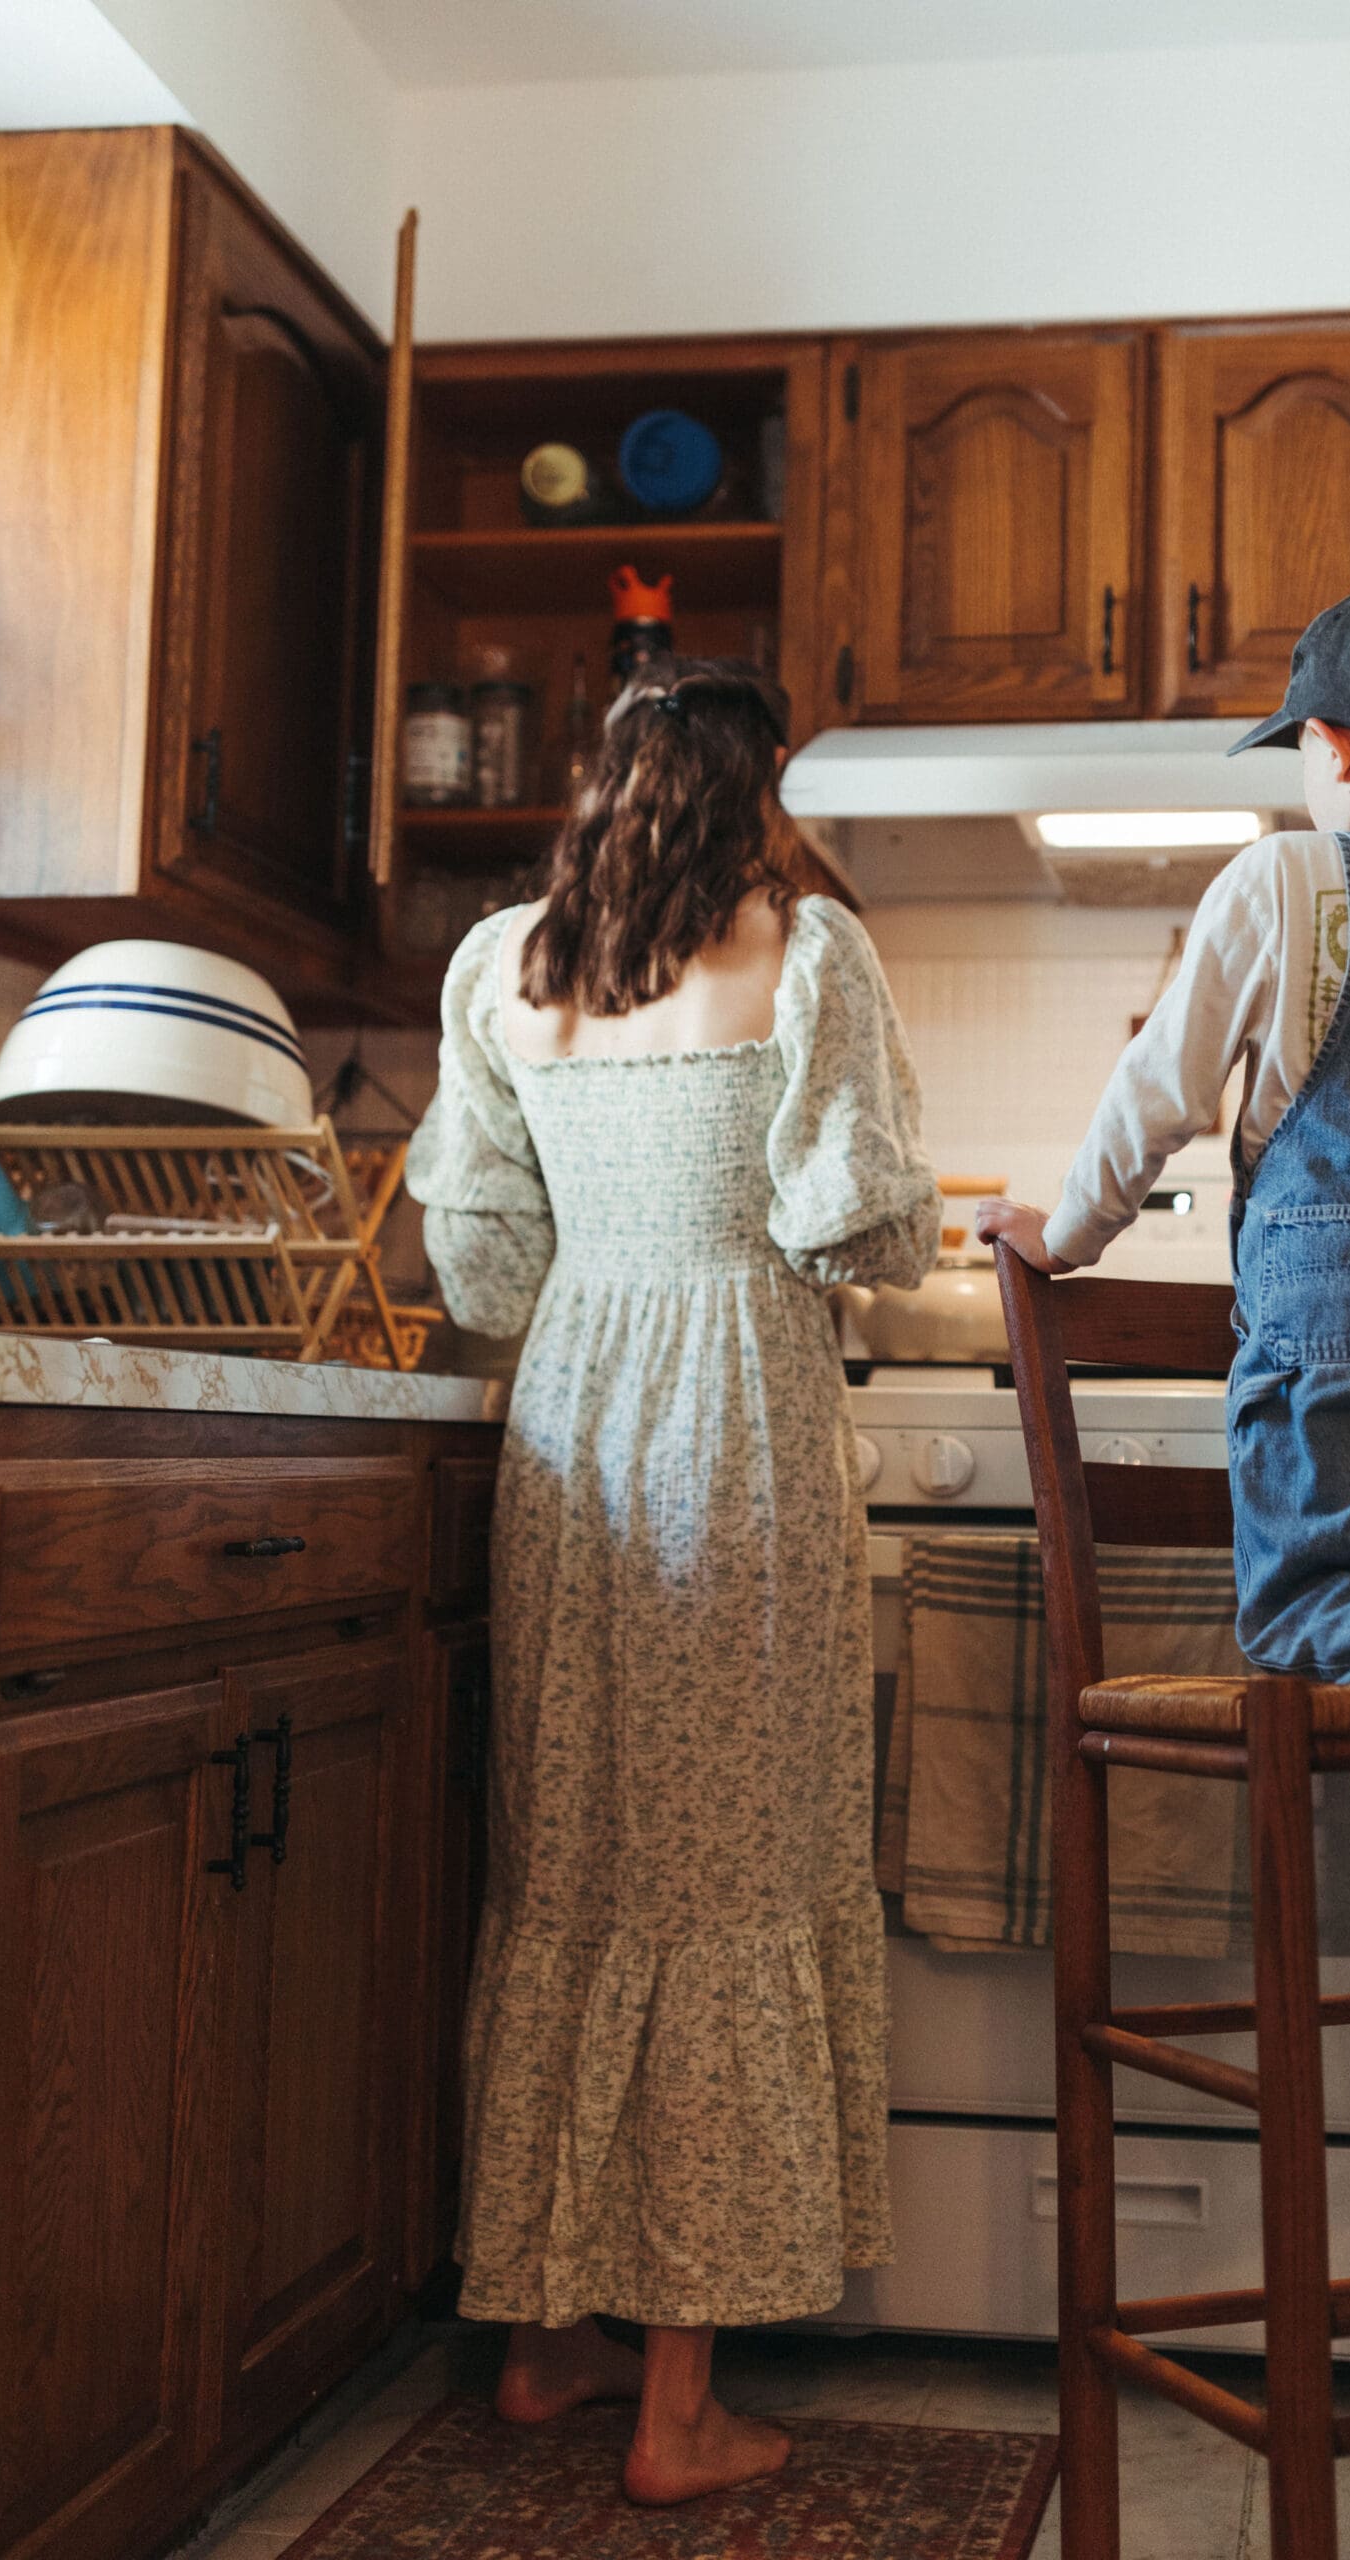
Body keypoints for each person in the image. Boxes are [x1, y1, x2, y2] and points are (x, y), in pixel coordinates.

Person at [406, 660, 938, 2502]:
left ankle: (545, 2341)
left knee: (564, 1868)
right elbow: (859, 1220)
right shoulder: (805, 953)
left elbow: (480, 1262)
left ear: (601, 784)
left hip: (569, 1426)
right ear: (761, 782)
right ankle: (677, 2411)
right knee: (720, 1871)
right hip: (737, 1428)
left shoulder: (504, 967)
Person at [978, 576, 1350, 1688]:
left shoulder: (1283, 876)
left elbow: (1158, 1088)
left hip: (1337, 1290)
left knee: (1310, 1598)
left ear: (1329, 746)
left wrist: (1065, 1234)